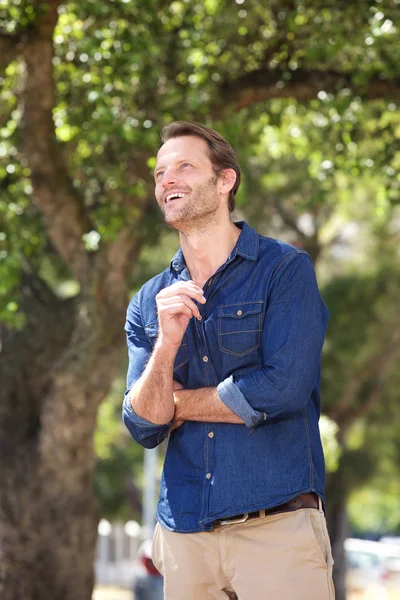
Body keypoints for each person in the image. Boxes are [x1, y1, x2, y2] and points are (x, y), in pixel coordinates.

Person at [123, 121, 335, 600]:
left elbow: (282, 388)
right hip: (184, 536)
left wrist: (178, 404)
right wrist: (167, 345)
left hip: (277, 528)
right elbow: (142, 425)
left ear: (225, 181)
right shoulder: (149, 301)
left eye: (184, 166)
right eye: (159, 173)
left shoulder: (284, 270)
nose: (167, 180)